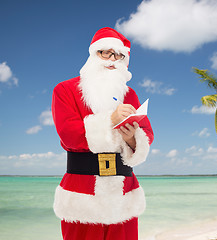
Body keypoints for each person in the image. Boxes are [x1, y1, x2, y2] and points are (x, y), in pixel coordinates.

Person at [52, 27, 154, 240]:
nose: (112, 59)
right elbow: (68, 135)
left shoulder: (130, 94)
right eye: (105, 52)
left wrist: (130, 138)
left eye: (118, 55)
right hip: (82, 195)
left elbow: (146, 133)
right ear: (93, 55)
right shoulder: (64, 90)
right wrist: (110, 121)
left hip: (124, 192)